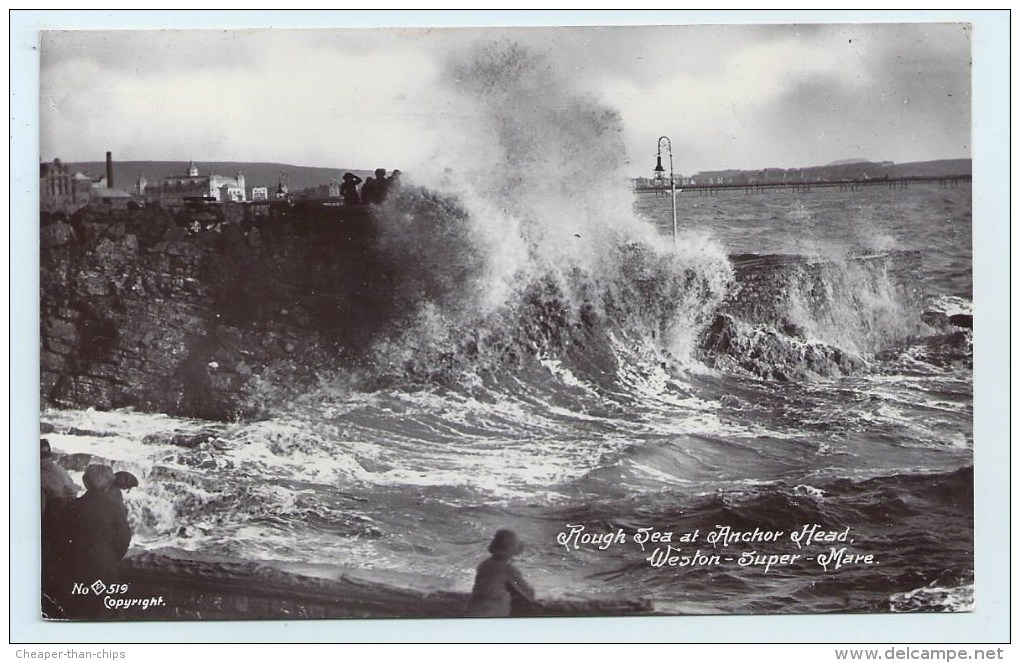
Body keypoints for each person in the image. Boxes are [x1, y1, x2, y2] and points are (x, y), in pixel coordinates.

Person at [59, 464, 132, 617]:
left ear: (85, 482)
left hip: (75, 569)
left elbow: (62, 540)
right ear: (109, 484)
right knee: (105, 612)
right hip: (105, 569)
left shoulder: (73, 506)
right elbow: (123, 540)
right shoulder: (115, 508)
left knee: (78, 613)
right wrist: (108, 557)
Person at [40, 439, 78, 616]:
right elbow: (73, 492)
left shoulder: (38, 475)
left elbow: (39, 512)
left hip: (51, 525)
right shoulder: (60, 471)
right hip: (67, 524)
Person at [466, 529, 536, 617]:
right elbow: (528, 594)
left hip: (475, 610)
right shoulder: (507, 569)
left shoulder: (484, 564)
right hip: (494, 613)